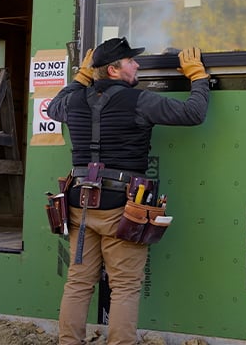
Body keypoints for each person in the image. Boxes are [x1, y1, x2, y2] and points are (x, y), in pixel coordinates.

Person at [48, 36, 210, 345]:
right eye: (131, 61)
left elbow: (54, 107)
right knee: (124, 286)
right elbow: (194, 114)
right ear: (113, 70)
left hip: (79, 203)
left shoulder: (72, 100)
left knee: (78, 282)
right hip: (121, 207)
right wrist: (198, 76)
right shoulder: (140, 101)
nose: (138, 65)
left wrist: (81, 76)